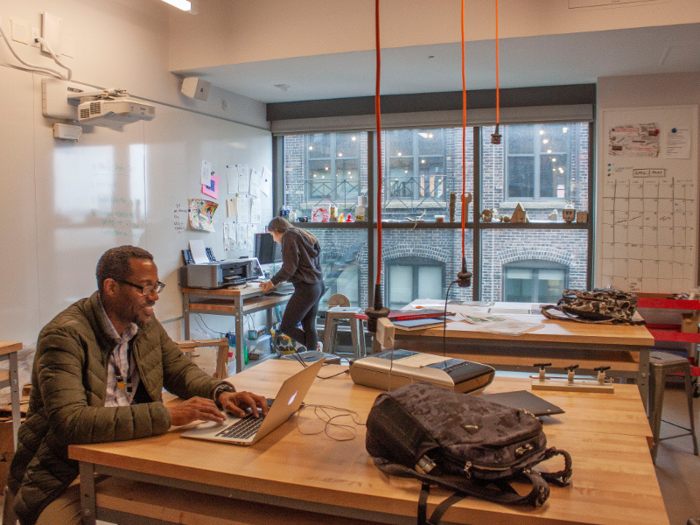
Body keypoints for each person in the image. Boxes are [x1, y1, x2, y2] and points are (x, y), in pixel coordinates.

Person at [8, 246, 269, 525]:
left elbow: (179, 371)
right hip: (63, 472)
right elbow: (70, 422)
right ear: (111, 287)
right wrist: (166, 416)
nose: (155, 297)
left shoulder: (142, 323)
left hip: (132, 456)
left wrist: (222, 393)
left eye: (156, 286)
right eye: (145, 288)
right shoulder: (64, 336)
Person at [260, 217, 325, 352]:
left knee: (287, 326)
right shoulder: (302, 234)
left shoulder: (289, 236)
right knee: (309, 326)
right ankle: (313, 359)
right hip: (317, 285)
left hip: (306, 289)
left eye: (272, 235)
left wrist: (272, 282)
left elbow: (289, 268)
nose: (273, 239)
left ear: (277, 230)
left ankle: (314, 348)